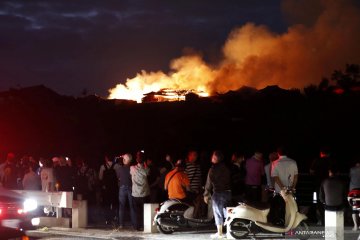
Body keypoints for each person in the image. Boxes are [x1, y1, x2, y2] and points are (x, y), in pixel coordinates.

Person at [204, 150, 231, 239]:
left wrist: (206, 194)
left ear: (215, 158)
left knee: (218, 213)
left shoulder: (212, 169)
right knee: (226, 212)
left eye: (213, 157)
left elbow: (209, 183)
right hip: (227, 192)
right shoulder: (226, 168)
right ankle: (228, 232)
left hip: (218, 193)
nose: (211, 158)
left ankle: (219, 233)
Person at [269, 146, 298, 226]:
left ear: (278, 153)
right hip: (290, 190)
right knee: (290, 208)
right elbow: (295, 176)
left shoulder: (275, 163)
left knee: (280, 209)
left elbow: (275, 177)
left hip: (279, 191)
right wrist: (293, 187)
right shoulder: (293, 162)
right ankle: (289, 224)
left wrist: (282, 187)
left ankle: (280, 225)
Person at [130, 151, 150, 230]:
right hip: (145, 193)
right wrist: (145, 164)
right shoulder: (146, 170)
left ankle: (137, 226)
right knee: (145, 211)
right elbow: (147, 172)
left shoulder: (132, 168)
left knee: (136, 211)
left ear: (136, 159)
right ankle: (145, 225)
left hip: (135, 193)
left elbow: (131, 173)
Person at [116, 153, 136, 229]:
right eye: (123, 158)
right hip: (130, 187)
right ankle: (133, 224)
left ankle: (122, 224)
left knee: (123, 206)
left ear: (129, 159)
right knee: (131, 206)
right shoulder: (132, 168)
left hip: (124, 187)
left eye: (125, 158)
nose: (123, 159)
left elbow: (118, 178)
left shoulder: (120, 169)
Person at [99, 154, 120, 225]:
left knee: (106, 204)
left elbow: (100, 178)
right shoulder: (117, 166)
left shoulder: (102, 167)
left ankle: (107, 219)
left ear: (106, 158)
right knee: (114, 203)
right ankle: (114, 217)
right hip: (114, 187)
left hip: (106, 188)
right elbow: (118, 177)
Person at [348, 160, 360, 230]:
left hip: (353, 191)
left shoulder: (352, 169)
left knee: (354, 208)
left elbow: (350, 176)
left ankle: (355, 226)